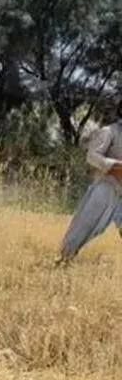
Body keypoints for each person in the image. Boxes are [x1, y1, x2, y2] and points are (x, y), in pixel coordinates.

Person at [57, 102, 122, 263]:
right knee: (84, 226)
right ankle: (64, 259)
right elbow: (92, 156)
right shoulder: (109, 131)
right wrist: (115, 166)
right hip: (106, 188)